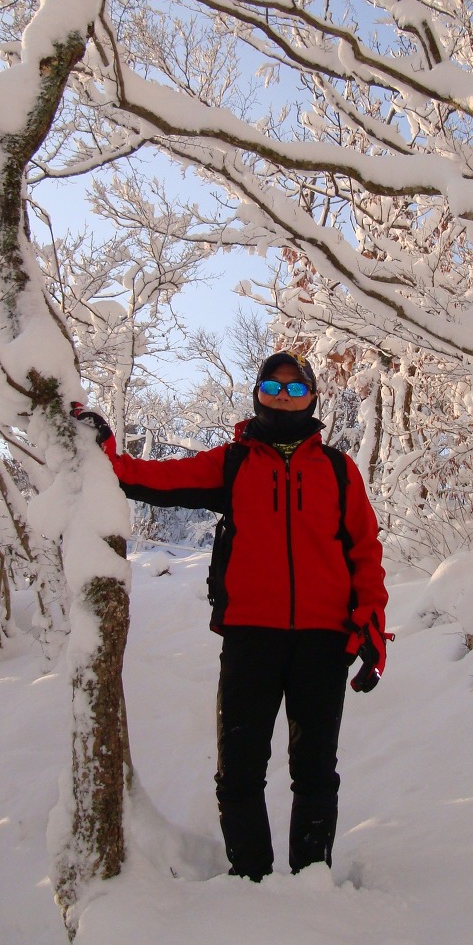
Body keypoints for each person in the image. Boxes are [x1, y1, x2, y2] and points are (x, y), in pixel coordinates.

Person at [71, 351, 390, 881]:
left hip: (323, 641)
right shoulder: (233, 463)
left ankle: (311, 879)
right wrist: (102, 445)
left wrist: (371, 625)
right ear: (258, 392)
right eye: (273, 386)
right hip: (251, 637)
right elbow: (145, 478)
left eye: (294, 389)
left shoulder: (337, 469)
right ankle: (252, 880)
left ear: (311, 396)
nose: (282, 397)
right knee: (239, 771)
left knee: (315, 771)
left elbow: (364, 550)